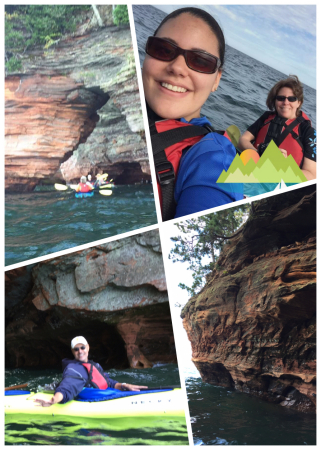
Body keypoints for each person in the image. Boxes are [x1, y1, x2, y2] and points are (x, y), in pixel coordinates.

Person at [142, 7, 243, 221]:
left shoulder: (212, 155)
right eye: (163, 49)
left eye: (201, 61)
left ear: (217, 80)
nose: (177, 67)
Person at [238, 75, 316, 180]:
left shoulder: (308, 132)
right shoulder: (266, 117)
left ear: (299, 103)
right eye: (280, 98)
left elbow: (312, 175)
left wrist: (282, 166)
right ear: (275, 100)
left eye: (292, 99)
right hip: (250, 173)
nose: (285, 102)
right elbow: (243, 140)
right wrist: (257, 152)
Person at [35, 336, 148, 407]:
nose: (80, 351)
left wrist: (125, 385)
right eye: (76, 349)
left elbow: (109, 383)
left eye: (82, 347)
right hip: (87, 397)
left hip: (103, 394)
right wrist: (54, 400)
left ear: (88, 347)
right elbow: (68, 386)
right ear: (72, 352)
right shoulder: (74, 369)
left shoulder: (95, 366)